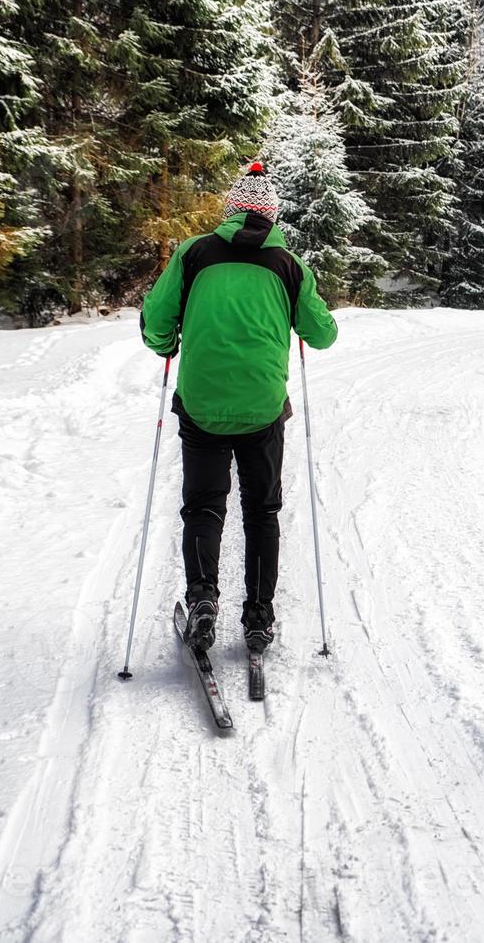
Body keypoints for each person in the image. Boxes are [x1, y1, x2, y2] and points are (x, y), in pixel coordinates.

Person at [140, 162, 338, 655]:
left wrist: (165, 341)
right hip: (262, 410)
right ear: (271, 216)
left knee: (204, 505)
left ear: (230, 210)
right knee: (261, 511)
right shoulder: (289, 265)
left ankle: (203, 597)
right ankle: (258, 616)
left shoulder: (193, 253)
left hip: (202, 405)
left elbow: (156, 321)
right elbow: (323, 334)